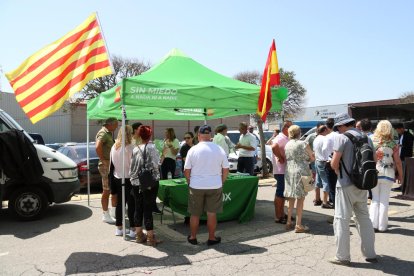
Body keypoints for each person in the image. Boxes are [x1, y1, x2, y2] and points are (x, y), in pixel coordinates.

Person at [330, 113, 377, 266]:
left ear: (343, 125)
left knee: (341, 219)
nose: (338, 130)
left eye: (338, 127)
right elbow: (374, 160)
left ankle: (342, 256)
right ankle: (370, 254)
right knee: (364, 217)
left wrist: (337, 171)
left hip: (345, 184)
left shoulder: (342, 138)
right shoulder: (366, 137)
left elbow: (334, 163)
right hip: (362, 184)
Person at [184, 125, 229, 246]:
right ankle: (211, 238)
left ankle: (193, 237)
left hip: (196, 186)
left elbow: (186, 170)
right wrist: (221, 181)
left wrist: (189, 182)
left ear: (198, 136)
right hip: (214, 185)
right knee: (211, 213)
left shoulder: (192, 150)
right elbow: (226, 169)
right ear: (210, 136)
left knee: (195, 214)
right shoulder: (219, 149)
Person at [130, 125, 162, 246]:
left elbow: (132, 166)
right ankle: (150, 237)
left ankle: (139, 235)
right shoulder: (151, 147)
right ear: (150, 135)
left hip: (135, 181)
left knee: (138, 207)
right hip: (148, 182)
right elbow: (156, 164)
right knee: (148, 208)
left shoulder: (135, 148)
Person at [370, 120, 403, 232]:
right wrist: (401, 176)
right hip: (388, 174)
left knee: (375, 199)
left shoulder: (372, 142)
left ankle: (373, 224)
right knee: (384, 200)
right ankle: (382, 226)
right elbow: (398, 162)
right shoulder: (393, 144)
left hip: (374, 173)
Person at [284, 125, 314, 233]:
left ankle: (288, 221)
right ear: (299, 132)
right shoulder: (303, 143)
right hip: (301, 171)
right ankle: (298, 224)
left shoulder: (287, 144)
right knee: (300, 198)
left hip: (289, 171)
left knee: (291, 196)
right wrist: (307, 161)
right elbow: (312, 157)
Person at [110, 125, 136, 238]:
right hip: (128, 178)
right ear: (129, 133)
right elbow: (133, 165)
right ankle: (132, 229)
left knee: (120, 204)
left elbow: (112, 165)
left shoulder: (114, 146)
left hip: (117, 177)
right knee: (131, 204)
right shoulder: (130, 147)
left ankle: (119, 228)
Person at [96, 117, 118, 224]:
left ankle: (113, 213)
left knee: (111, 190)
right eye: (116, 124)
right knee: (106, 190)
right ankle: (105, 214)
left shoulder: (108, 133)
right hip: (105, 166)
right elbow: (97, 146)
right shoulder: (104, 133)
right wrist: (103, 159)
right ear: (110, 124)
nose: (117, 127)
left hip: (109, 165)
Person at [272, 120, 293, 224]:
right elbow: (274, 146)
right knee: (280, 193)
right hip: (280, 170)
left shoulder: (284, 137)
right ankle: (278, 216)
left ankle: (281, 214)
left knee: (282, 193)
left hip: (282, 170)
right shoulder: (280, 137)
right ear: (286, 128)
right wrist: (280, 157)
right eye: (291, 127)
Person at [313, 125, 332, 208]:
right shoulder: (325, 138)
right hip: (323, 161)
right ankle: (325, 202)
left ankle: (317, 199)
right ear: (325, 130)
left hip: (317, 161)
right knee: (326, 181)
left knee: (317, 180)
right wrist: (327, 157)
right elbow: (325, 149)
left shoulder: (316, 138)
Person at [392, 123, 414, 191]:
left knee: (404, 173)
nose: (397, 132)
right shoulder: (400, 135)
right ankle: (402, 185)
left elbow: (409, 145)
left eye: (398, 130)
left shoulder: (409, 135)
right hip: (400, 156)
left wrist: (401, 145)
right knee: (401, 173)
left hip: (406, 157)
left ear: (401, 128)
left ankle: (404, 186)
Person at [322, 118, 338, 207]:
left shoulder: (328, 137)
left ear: (327, 127)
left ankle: (336, 212)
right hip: (340, 162)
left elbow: (324, 149)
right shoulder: (340, 135)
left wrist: (326, 158)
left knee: (332, 188)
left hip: (330, 162)